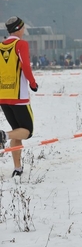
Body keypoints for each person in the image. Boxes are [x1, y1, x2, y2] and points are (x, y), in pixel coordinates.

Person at [0, 16, 39, 177]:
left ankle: (17, 168)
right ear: (19, 29)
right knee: (27, 131)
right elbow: (25, 66)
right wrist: (33, 83)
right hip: (19, 97)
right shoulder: (21, 44)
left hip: (3, 96)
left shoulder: (1, 46)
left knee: (18, 131)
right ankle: (3, 136)